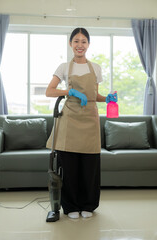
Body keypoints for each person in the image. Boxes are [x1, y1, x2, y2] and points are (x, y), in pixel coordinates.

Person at [46, 27, 117, 219]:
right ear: (70, 44)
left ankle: (88, 204)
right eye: (76, 41)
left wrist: (107, 99)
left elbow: (94, 95)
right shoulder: (63, 67)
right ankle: (70, 206)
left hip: (90, 120)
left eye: (83, 41)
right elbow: (49, 91)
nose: (80, 45)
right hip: (70, 119)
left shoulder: (95, 68)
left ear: (88, 44)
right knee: (69, 166)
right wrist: (70, 92)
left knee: (89, 166)